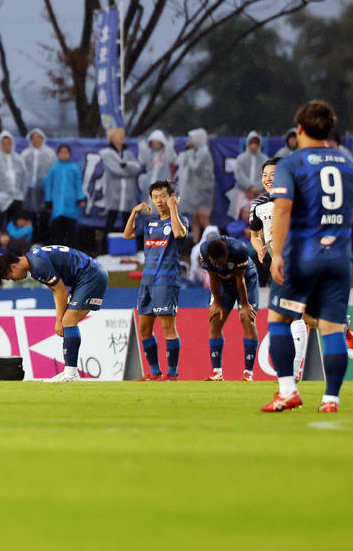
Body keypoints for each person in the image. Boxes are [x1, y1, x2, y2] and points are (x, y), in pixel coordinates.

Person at [261, 101, 353, 414]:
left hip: (302, 255)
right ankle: (331, 399)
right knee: (331, 328)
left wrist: (276, 253)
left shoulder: (291, 164)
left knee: (278, 318)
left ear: (299, 129)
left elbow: (283, 208)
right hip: (339, 256)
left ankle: (288, 391)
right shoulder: (347, 162)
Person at [0, 245, 109, 382]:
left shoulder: (38, 264)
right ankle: (69, 372)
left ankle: (71, 373)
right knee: (68, 322)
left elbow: (61, 291)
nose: (13, 280)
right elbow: (56, 290)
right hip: (89, 275)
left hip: (90, 275)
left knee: (68, 322)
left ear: (14, 266)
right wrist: (60, 319)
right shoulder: (35, 260)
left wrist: (59, 320)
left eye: (9, 276)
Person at [248, 156, 314, 377]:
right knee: (296, 315)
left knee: (290, 314)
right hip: (277, 262)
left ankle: (294, 370)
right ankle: (338, 323)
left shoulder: (297, 198)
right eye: (265, 175)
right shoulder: (258, 205)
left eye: (273, 175)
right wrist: (259, 248)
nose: (268, 179)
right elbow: (255, 235)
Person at [124, 180, 189, 381]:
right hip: (148, 280)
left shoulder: (180, 220)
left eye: (163, 196)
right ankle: (154, 371)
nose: (158, 201)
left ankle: (172, 373)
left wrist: (173, 210)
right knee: (144, 328)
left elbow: (178, 234)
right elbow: (127, 235)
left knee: (168, 327)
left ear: (170, 197)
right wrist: (134, 212)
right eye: (155, 197)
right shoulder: (149, 223)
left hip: (166, 279)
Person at [198, 236, 260, 382]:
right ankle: (217, 372)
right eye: (215, 263)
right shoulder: (205, 251)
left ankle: (248, 372)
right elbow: (212, 277)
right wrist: (217, 303)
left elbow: (240, 279)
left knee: (247, 319)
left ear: (226, 255)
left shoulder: (239, 249)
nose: (218, 265)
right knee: (215, 319)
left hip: (246, 280)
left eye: (220, 262)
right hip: (222, 283)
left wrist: (245, 305)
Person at [97, 126, 142, 253]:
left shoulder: (128, 153)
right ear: (113, 138)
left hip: (127, 195)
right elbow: (115, 170)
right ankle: (105, 250)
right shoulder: (106, 153)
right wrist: (128, 169)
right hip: (114, 194)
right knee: (110, 221)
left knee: (128, 222)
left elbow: (137, 168)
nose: (122, 138)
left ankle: (128, 249)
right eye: (119, 135)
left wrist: (125, 166)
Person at [41, 143, 85, 247]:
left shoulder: (74, 168)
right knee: (57, 232)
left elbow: (78, 184)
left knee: (71, 231)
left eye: (66, 153)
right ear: (58, 154)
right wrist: (48, 200)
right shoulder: (53, 169)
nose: (64, 155)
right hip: (57, 206)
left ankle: (72, 254)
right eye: (62, 153)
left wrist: (80, 198)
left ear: (70, 154)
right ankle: (57, 253)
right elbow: (49, 185)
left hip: (71, 205)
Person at [175, 129, 214, 242]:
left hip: (203, 193)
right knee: (195, 220)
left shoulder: (203, 151)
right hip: (196, 192)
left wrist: (188, 153)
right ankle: (195, 244)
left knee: (204, 219)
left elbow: (196, 167)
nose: (190, 141)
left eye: (191, 138)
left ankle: (214, 244)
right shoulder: (197, 151)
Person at [0, 131, 27, 241]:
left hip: (17, 198)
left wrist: (22, 194)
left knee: (14, 225)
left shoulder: (19, 159)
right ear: (0, 144)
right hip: (0, 198)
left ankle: (13, 249)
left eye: (8, 142)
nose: (6, 145)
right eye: (3, 143)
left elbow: (24, 178)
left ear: (12, 143)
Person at [20, 128, 55, 239]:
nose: (36, 140)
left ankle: (44, 240)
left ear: (42, 139)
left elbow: (53, 172)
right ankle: (33, 240)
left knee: (45, 215)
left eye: (39, 138)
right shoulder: (25, 154)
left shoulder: (50, 153)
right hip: (29, 189)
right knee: (30, 216)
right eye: (33, 138)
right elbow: (21, 172)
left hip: (44, 190)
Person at [232, 131, 268, 215]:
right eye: (251, 142)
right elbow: (239, 175)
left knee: (258, 215)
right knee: (244, 213)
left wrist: (256, 190)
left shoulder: (265, 160)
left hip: (260, 193)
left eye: (256, 143)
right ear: (247, 143)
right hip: (243, 192)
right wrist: (249, 188)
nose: (253, 145)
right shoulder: (240, 159)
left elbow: (267, 176)